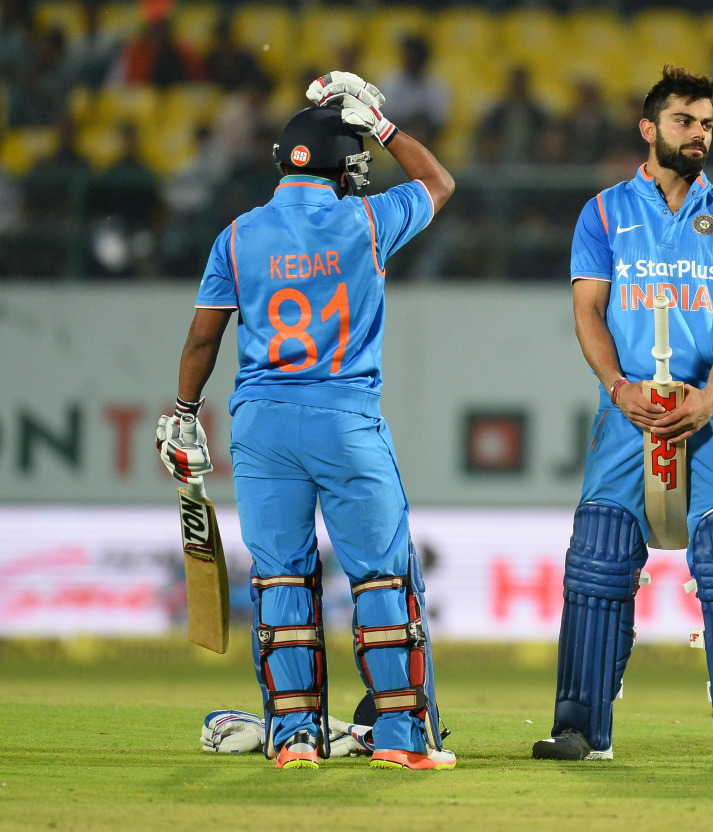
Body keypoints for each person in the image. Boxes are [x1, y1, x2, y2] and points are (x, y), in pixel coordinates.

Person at [153, 71, 456, 771]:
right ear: (337, 167)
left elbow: (204, 339)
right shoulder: (367, 221)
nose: (361, 175)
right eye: (355, 163)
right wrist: (381, 125)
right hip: (344, 418)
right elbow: (438, 183)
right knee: (380, 579)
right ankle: (404, 743)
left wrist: (184, 414)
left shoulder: (237, 236)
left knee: (281, 580)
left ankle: (293, 740)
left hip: (259, 426)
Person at [531, 66, 713, 766]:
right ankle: (580, 729)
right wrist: (617, 386)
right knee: (599, 560)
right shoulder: (605, 213)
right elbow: (587, 310)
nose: (698, 133)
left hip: (712, 413)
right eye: (683, 120)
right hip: (630, 410)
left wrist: (712, 392)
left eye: (705, 122)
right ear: (650, 129)